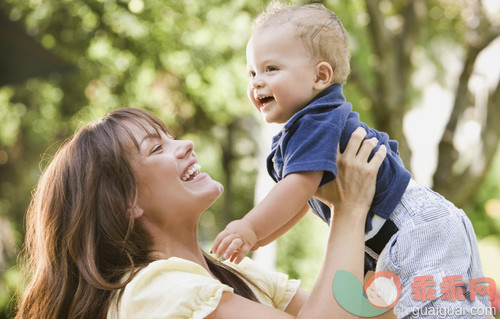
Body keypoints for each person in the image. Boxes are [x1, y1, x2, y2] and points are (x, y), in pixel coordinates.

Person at [212, 2, 493, 318]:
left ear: (320, 76)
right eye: (252, 72)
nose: (256, 82)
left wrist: (249, 228)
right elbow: (301, 200)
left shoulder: (316, 121)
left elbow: (298, 187)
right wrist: (260, 238)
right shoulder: (307, 130)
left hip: (417, 229)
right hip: (398, 239)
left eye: (271, 69)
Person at [15, 107, 388, 319]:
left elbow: (356, 313)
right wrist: (350, 209)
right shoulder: (154, 290)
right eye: (156, 148)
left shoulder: (232, 271)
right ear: (126, 202)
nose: (185, 145)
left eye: (171, 136)